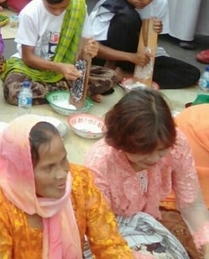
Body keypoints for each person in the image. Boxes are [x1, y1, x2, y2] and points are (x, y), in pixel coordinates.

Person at [0, 115, 133, 258]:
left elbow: (109, 244)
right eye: (49, 167)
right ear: (22, 172)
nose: (62, 174)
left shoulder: (80, 183)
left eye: (63, 160)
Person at [85, 90, 209, 258]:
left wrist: (207, 242)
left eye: (161, 150)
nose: (155, 158)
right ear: (122, 142)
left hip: (148, 224)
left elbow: (192, 205)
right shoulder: (100, 163)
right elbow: (99, 233)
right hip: (107, 235)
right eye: (144, 151)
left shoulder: (176, 144)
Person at [0, 0, 118, 105]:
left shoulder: (78, 7)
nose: (57, 12)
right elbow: (28, 58)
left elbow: (84, 47)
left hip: (67, 68)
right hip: (32, 69)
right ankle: (77, 90)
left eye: (63, 7)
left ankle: (64, 89)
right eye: (51, 7)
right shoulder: (30, 13)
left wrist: (91, 50)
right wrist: (59, 67)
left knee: (110, 76)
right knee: (13, 92)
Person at [90, 0, 200, 88]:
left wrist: (154, 31)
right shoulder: (110, 4)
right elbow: (94, 47)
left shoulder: (161, 2)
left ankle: (125, 75)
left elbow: (149, 45)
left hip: (139, 56)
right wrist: (131, 57)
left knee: (191, 73)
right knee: (128, 18)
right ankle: (118, 71)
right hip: (110, 56)